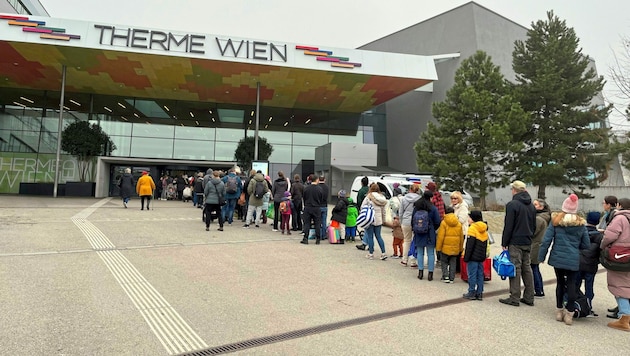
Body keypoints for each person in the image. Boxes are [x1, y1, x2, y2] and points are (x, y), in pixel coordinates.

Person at [538, 194, 590, 325]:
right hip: (573, 258)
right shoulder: (581, 224)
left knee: (560, 283)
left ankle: (559, 311)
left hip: (558, 257)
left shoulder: (555, 221)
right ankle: (569, 313)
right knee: (572, 284)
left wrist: (541, 256)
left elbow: (546, 241)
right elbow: (586, 245)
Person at [499, 180, 536, 307]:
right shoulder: (531, 205)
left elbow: (509, 225)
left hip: (515, 240)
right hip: (527, 239)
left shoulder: (512, 204)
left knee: (515, 268)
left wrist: (505, 241)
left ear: (514, 190)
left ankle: (514, 297)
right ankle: (529, 296)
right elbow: (534, 224)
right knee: (527, 268)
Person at [600, 197, 630, 331]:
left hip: (620, 256)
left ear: (619, 205)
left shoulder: (620, 218)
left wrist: (603, 246)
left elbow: (609, 236)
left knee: (619, 286)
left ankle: (624, 317)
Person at [576, 211, 603, 312]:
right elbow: (601, 251)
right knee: (589, 286)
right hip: (591, 265)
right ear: (598, 222)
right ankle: (588, 306)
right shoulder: (600, 236)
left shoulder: (580, 232)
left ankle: (576, 304)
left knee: (575, 284)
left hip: (578, 262)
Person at [412, 190, 441, 280]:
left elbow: (412, 219)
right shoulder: (433, 208)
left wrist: (415, 229)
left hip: (419, 232)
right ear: (431, 198)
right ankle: (430, 273)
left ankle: (420, 272)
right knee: (431, 253)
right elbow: (437, 221)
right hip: (430, 232)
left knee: (420, 252)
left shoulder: (417, 206)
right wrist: (433, 228)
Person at [463, 210, 489, 300]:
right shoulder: (484, 228)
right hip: (481, 256)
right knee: (480, 275)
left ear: (473, 219)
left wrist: (466, 257)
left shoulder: (472, 228)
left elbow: (470, 245)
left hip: (473, 257)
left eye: (469, 217)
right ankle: (479, 292)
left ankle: (471, 292)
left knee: (472, 275)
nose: (468, 219)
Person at [436, 206, 464, 283]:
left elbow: (440, 237)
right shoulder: (458, 223)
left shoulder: (444, 223)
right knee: (453, 262)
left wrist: (438, 248)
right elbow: (461, 237)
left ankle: (445, 277)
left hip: (445, 247)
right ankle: (452, 278)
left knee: (444, 262)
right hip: (455, 247)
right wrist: (460, 248)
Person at [362, 183, 388, 260]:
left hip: (370, 219)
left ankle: (371, 254)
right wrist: (383, 220)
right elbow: (383, 211)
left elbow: (362, 207)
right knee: (379, 236)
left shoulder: (368, 197)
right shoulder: (382, 198)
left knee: (370, 237)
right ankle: (383, 253)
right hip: (379, 219)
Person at [532, 199, 551, 298]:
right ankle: (539, 289)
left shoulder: (539, 219)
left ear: (541, 207)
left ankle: (538, 290)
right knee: (535, 268)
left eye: (535, 204)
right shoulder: (546, 217)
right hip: (539, 244)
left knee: (533, 268)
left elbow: (533, 232)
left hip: (535, 245)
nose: (533, 206)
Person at [399, 183, 421, 267]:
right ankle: (413, 261)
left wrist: (401, 221)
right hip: (416, 221)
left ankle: (404, 260)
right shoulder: (419, 199)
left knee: (407, 240)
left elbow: (401, 212)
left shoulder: (404, 199)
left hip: (406, 221)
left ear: (410, 189)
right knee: (415, 241)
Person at [301, 174, 324, 245]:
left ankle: (305, 238)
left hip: (308, 207)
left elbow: (304, 197)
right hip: (316, 207)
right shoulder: (320, 189)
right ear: (317, 180)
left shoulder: (306, 188)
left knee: (307, 223)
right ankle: (318, 239)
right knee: (317, 223)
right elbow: (321, 198)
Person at [355, 176, 370, 250]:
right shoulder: (369, 190)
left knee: (365, 227)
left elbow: (358, 201)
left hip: (364, 210)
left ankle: (365, 243)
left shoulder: (361, 191)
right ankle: (368, 243)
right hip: (371, 212)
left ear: (361, 183)